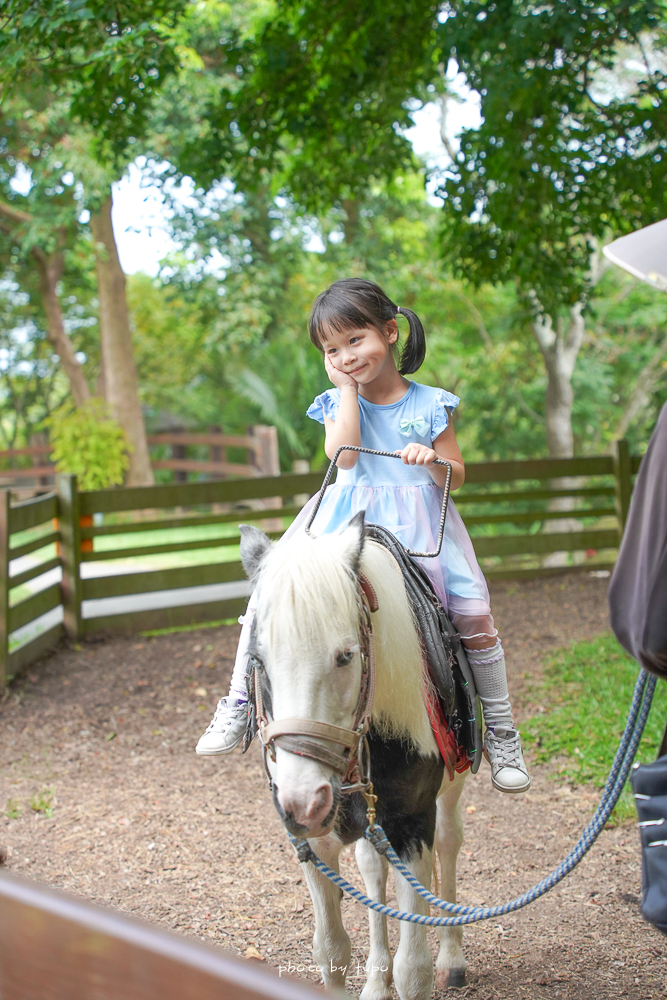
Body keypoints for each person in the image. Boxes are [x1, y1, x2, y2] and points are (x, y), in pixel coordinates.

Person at [197, 278, 530, 793]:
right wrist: (346, 392)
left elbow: (458, 473)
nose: (347, 356)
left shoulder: (431, 404)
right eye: (333, 349)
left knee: (472, 614)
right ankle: (239, 701)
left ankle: (503, 730)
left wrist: (434, 461)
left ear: (390, 332)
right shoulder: (335, 403)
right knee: (271, 594)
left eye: (356, 340)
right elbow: (346, 456)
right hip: (345, 521)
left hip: (419, 527)